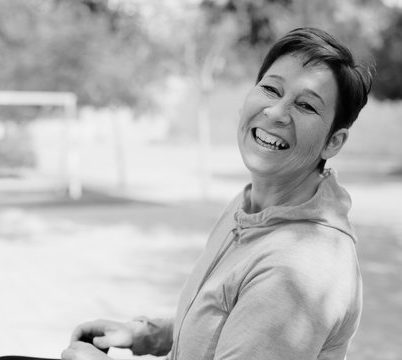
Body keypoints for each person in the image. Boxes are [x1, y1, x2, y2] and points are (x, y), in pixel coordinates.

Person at [61, 27, 373, 360]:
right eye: (271, 89)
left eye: (307, 106)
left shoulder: (298, 267)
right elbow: (224, 321)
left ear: (334, 141)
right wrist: (145, 334)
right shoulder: (250, 206)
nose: (277, 113)